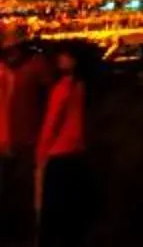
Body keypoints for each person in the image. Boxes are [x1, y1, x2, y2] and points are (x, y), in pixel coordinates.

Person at [31, 45, 88, 247]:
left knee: (51, 209)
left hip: (58, 154)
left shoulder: (62, 88)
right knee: (73, 209)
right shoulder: (80, 87)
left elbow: (51, 122)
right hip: (77, 152)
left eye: (65, 56)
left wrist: (40, 154)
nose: (60, 59)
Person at [0, 25, 46, 240]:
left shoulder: (34, 67)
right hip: (7, 139)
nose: (12, 52)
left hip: (26, 139)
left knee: (23, 191)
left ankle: (22, 233)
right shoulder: (5, 70)